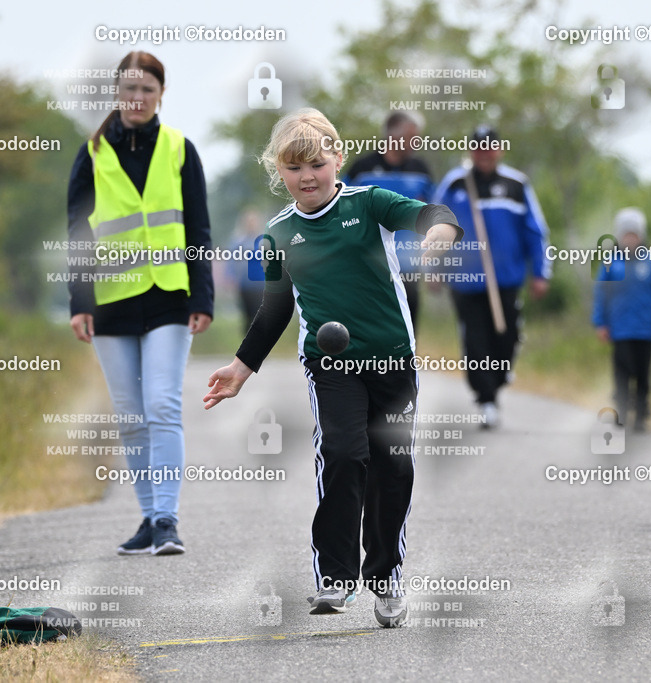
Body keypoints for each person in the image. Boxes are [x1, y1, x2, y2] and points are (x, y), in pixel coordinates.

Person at [202, 108, 461, 628]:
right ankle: (336, 578)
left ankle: (385, 575)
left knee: (394, 468)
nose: (308, 177)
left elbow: (436, 216)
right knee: (343, 454)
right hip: (332, 365)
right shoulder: (277, 235)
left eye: (317, 163)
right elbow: (275, 309)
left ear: (337, 159)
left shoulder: (369, 203)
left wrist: (437, 237)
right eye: (295, 169)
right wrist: (240, 367)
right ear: (282, 174)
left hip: (392, 360)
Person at [66, 51, 214, 554]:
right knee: (130, 416)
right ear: (117, 92)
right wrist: (78, 303)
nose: (137, 98)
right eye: (129, 89)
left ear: (160, 94)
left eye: (147, 89)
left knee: (162, 405)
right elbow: (77, 233)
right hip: (110, 304)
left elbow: (198, 224)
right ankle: (149, 518)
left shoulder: (180, 149)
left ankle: (168, 519)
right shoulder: (91, 154)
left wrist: (203, 295)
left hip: (169, 295)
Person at [431, 125, 551, 428]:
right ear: (472, 151)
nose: (484, 153)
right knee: (475, 339)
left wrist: (540, 272)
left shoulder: (516, 184)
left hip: (506, 279)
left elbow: (535, 230)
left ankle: (498, 378)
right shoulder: (455, 183)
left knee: (507, 335)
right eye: (479, 147)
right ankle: (486, 400)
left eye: (490, 147)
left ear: (499, 150)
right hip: (465, 280)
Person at [592, 208, 651, 433]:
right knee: (621, 372)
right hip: (620, 330)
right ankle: (620, 409)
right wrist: (600, 322)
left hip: (645, 330)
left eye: (634, 235)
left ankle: (641, 414)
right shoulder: (611, 263)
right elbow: (601, 293)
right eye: (626, 235)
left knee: (643, 374)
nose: (630, 239)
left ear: (641, 236)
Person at [345, 112, 434, 327]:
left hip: (408, 265)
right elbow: (339, 207)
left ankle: (406, 361)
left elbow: (436, 214)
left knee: (407, 322)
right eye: (413, 136)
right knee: (370, 323)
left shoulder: (420, 170)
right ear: (393, 135)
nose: (418, 142)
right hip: (368, 262)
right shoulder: (361, 169)